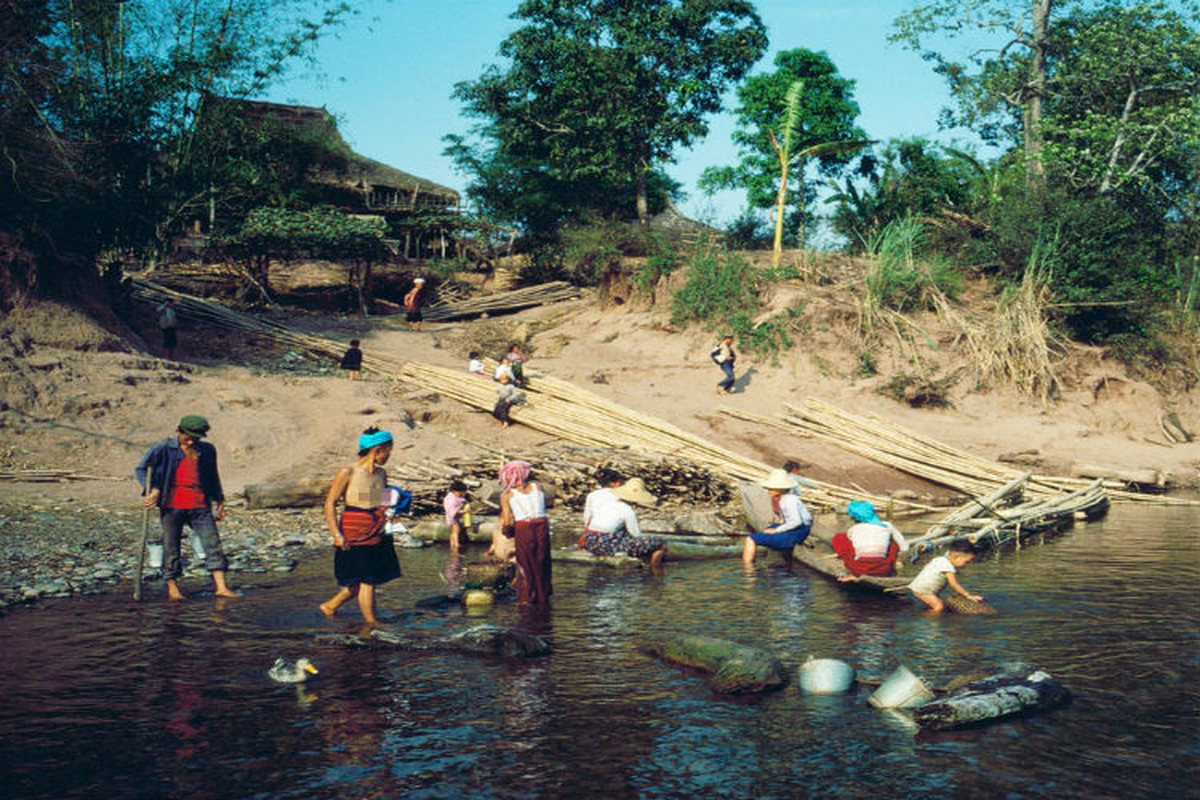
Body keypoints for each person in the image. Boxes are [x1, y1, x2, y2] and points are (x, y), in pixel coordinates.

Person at [134, 414, 239, 600]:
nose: (191, 442)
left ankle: (221, 587)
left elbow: (212, 476)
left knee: (213, 544)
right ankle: (173, 588)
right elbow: (142, 469)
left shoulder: (207, 450)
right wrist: (153, 490)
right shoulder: (163, 448)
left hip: (200, 504)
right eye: (187, 437)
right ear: (178, 431)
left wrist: (220, 500)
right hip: (172, 505)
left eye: (195, 438)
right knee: (171, 547)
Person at [319, 427, 402, 626]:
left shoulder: (381, 474)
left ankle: (330, 606)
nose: (389, 455)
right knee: (368, 580)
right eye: (388, 450)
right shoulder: (348, 472)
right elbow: (330, 503)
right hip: (353, 530)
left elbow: (372, 498)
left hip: (376, 530)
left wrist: (389, 514)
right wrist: (336, 534)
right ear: (377, 450)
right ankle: (372, 624)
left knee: (358, 582)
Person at [579, 469, 667, 568]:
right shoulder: (627, 510)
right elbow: (636, 534)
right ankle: (654, 569)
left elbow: (589, 519)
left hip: (590, 541)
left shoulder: (608, 505)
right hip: (605, 545)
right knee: (660, 542)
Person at [498, 460, 551, 606]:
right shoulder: (538, 487)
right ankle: (543, 596)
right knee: (542, 561)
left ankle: (527, 598)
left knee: (525, 563)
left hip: (524, 526)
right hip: (542, 524)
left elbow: (507, 521)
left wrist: (507, 532)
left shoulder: (507, 495)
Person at [743, 468, 812, 565]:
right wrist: (779, 524)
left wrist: (777, 530)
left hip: (797, 532)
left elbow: (796, 522)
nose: (768, 491)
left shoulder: (789, 501)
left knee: (750, 539)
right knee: (767, 530)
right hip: (800, 530)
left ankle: (748, 570)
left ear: (781, 489)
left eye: (772, 488)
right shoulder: (786, 498)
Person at [833, 500, 909, 579]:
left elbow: (850, 545)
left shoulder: (853, 529)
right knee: (893, 543)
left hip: (858, 570)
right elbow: (905, 547)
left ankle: (856, 569)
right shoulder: (887, 525)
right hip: (884, 569)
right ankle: (889, 569)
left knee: (840, 538)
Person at [908, 540, 983, 613]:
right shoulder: (948, 566)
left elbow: (926, 566)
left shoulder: (940, 559)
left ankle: (927, 610)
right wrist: (968, 595)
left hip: (921, 586)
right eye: (967, 562)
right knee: (939, 607)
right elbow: (954, 584)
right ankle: (922, 616)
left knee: (941, 604)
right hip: (923, 590)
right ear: (957, 557)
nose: (967, 565)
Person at [444, 480, 469, 553]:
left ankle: (453, 544)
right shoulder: (452, 499)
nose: (461, 494)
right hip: (453, 517)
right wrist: (464, 511)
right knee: (456, 530)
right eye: (460, 493)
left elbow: (462, 500)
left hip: (450, 517)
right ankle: (456, 544)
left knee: (453, 531)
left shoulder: (450, 496)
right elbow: (453, 512)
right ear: (454, 491)